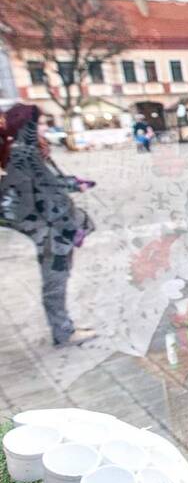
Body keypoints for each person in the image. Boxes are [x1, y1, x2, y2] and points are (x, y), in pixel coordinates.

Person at [0, 103, 95, 346]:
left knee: (58, 278)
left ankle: (65, 327)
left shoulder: (28, 151)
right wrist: (67, 224)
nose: (44, 127)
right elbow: (39, 194)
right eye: (40, 123)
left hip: (54, 227)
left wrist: (75, 183)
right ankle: (63, 332)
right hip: (50, 230)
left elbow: (50, 182)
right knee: (55, 280)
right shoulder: (22, 154)